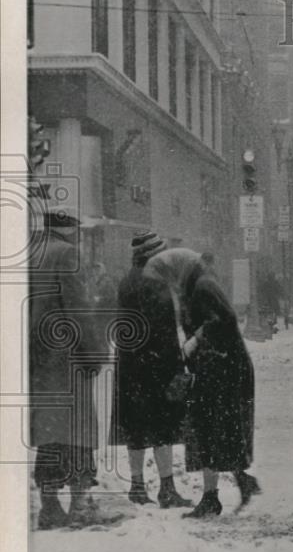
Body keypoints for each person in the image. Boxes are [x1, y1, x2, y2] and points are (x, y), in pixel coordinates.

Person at [144, 248, 260, 518]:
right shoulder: (195, 286)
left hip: (222, 370)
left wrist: (195, 341)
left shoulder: (202, 287)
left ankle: (213, 497)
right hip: (217, 368)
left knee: (211, 430)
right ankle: (238, 482)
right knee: (218, 430)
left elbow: (224, 320)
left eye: (168, 278)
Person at [29, 210, 118, 528]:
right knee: (79, 431)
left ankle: (49, 505)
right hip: (68, 359)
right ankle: (81, 504)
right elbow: (78, 309)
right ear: (67, 231)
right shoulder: (68, 255)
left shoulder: (31, 251)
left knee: (49, 433)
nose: (80, 237)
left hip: (39, 360)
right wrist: (95, 354)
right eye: (77, 232)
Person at [110, 231, 192, 508]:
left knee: (135, 430)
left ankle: (137, 486)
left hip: (131, 366)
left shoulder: (127, 281)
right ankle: (167, 489)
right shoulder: (154, 282)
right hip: (156, 368)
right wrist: (176, 367)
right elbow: (163, 331)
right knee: (163, 429)